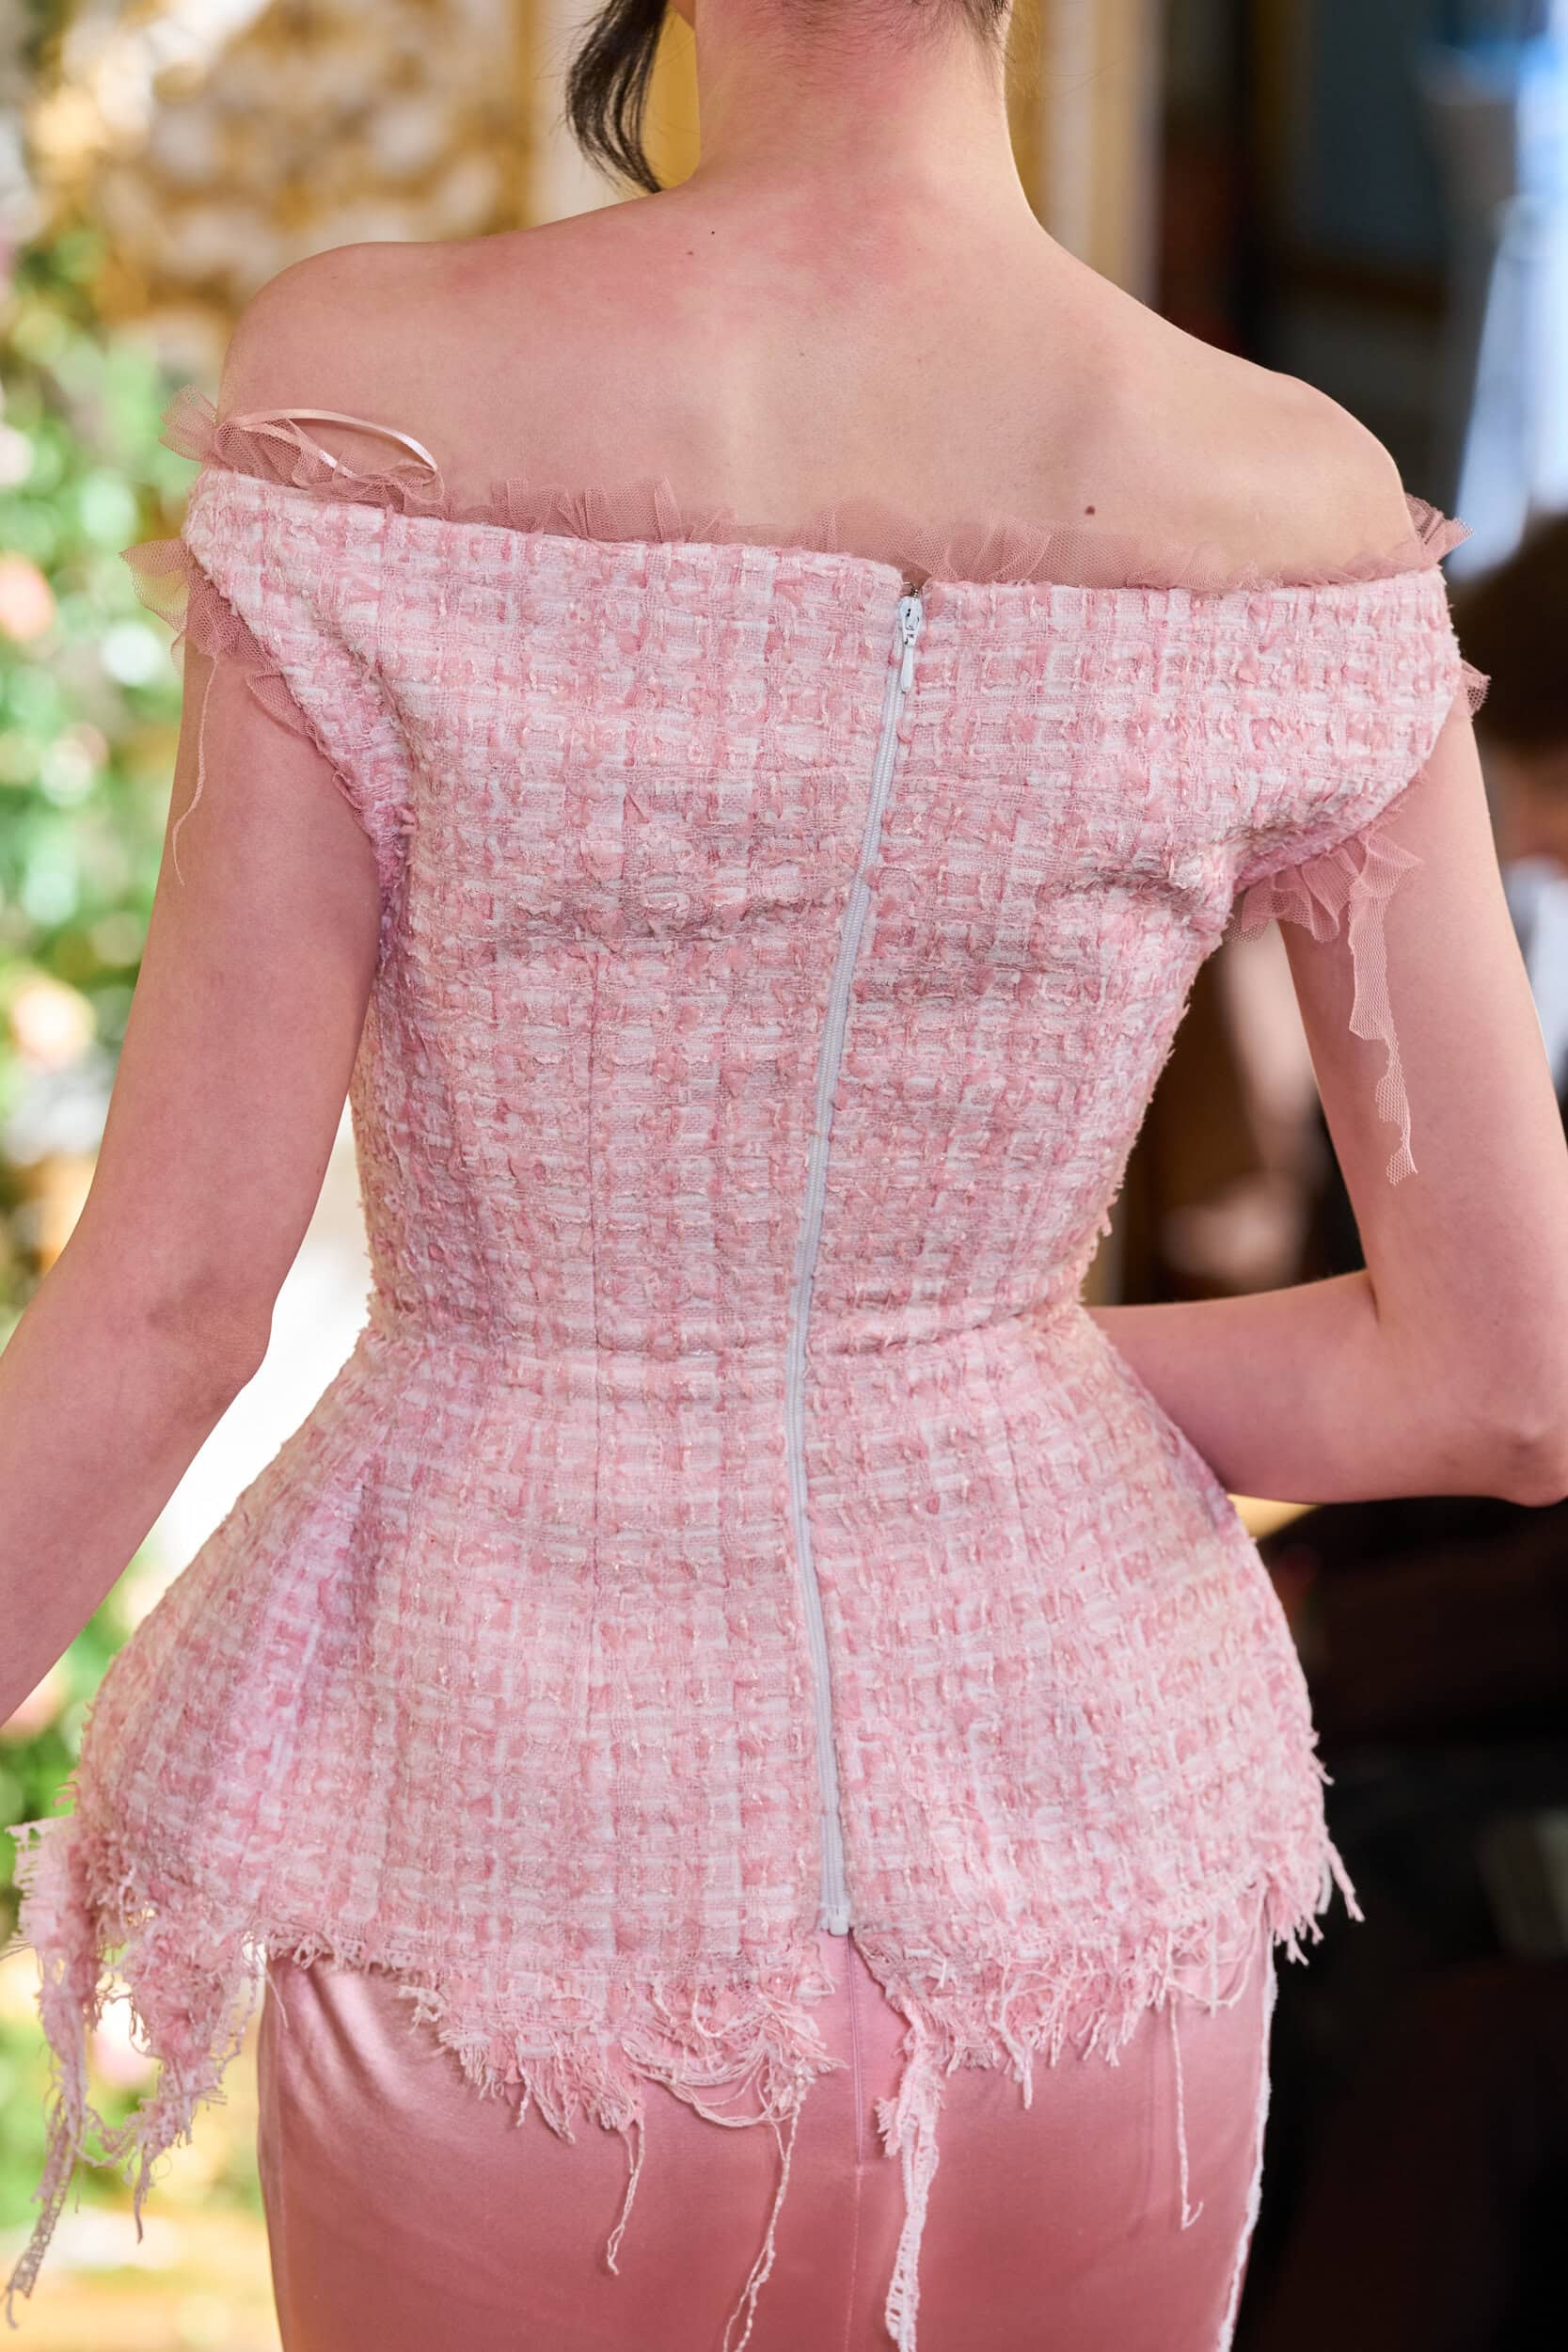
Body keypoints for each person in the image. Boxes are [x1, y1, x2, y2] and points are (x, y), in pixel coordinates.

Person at [3, 5, 1566, 2348]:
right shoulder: (1302, 499)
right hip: (1097, 1881)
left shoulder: (378, 392)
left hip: (518, 1864)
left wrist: (777, 1368)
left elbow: (169, 1306)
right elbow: (1511, 1375)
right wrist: (966, 1373)